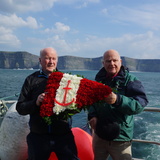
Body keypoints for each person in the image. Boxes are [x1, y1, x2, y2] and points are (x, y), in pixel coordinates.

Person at [16, 47, 79, 160]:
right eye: (47, 58)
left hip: (63, 136)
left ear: (57, 60)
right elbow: (20, 108)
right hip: (38, 137)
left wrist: (72, 105)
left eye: (53, 58)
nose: (51, 62)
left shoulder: (67, 80)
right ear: (40, 60)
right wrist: (36, 102)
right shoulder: (31, 80)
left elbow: (76, 108)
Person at [88, 49, 148, 160]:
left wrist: (118, 100)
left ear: (120, 62)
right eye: (108, 61)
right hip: (99, 136)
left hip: (121, 139)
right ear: (103, 63)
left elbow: (140, 104)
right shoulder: (98, 81)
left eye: (115, 60)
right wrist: (92, 116)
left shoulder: (130, 80)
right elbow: (93, 103)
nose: (112, 64)